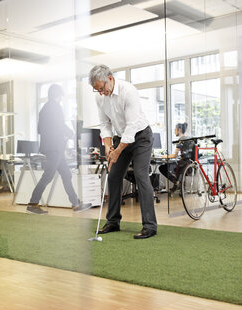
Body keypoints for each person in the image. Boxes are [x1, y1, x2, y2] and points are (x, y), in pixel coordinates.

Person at [89, 64, 157, 239]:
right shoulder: (100, 98)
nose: (101, 93)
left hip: (141, 136)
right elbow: (105, 124)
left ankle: (149, 226)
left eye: (102, 88)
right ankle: (113, 222)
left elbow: (132, 126)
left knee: (141, 176)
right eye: (98, 90)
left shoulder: (129, 91)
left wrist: (117, 151)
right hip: (121, 137)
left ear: (110, 79)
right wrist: (107, 146)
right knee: (113, 176)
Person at [26, 84, 92, 215]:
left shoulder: (44, 108)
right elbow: (60, 125)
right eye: (61, 95)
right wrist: (70, 133)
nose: (62, 98)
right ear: (58, 94)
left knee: (66, 174)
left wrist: (63, 133)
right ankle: (32, 203)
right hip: (54, 148)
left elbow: (41, 129)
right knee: (48, 175)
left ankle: (76, 204)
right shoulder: (55, 107)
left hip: (54, 148)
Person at [158, 122, 191, 192]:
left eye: (175, 130)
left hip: (183, 165)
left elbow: (174, 155)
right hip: (189, 163)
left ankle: (176, 182)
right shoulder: (188, 138)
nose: (174, 131)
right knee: (171, 165)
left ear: (179, 130)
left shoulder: (181, 140)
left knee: (162, 167)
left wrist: (163, 156)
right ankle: (177, 184)